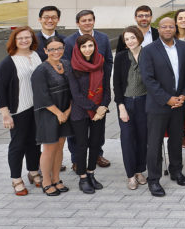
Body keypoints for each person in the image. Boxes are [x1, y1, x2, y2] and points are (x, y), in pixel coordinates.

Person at [139, 16, 185, 197]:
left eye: (171, 26)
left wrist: (184, 94)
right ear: (159, 29)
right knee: (154, 144)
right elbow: (148, 79)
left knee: (177, 139)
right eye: (164, 26)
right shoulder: (148, 50)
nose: (168, 29)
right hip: (158, 105)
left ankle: (176, 170)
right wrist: (167, 98)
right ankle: (153, 179)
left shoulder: (183, 47)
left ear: (175, 28)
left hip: (179, 103)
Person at [0, 26, 43, 195]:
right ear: (14, 41)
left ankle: (33, 171)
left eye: (27, 37)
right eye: (20, 38)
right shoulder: (9, 62)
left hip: (36, 108)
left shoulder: (36, 55)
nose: (24, 40)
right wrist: (5, 114)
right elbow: (0, 90)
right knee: (18, 145)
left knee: (35, 143)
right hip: (19, 109)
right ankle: (16, 179)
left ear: (32, 39)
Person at [65, 32, 110, 194]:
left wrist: (103, 106)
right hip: (81, 111)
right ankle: (82, 177)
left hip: (99, 112)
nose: (87, 49)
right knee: (82, 145)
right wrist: (95, 108)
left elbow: (106, 88)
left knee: (96, 144)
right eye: (83, 46)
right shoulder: (72, 66)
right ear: (78, 48)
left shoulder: (101, 62)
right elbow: (76, 95)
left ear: (95, 46)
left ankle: (91, 174)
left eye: (90, 45)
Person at [31, 34, 72, 196]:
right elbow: (41, 96)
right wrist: (58, 113)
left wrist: (68, 111)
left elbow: (74, 89)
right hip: (48, 112)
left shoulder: (67, 64)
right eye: (52, 49)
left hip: (66, 111)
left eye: (59, 48)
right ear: (45, 50)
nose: (56, 52)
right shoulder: (40, 71)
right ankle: (46, 182)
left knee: (60, 146)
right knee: (49, 148)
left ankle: (56, 178)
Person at [113, 26, 149, 190]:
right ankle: (130, 175)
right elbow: (117, 85)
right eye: (126, 39)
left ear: (139, 38)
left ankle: (140, 171)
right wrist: (121, 107)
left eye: (132, 38)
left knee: (142, 138)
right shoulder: (120, 57)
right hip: (126, 103)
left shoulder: (148, 54)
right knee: (127, 140)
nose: (130, 41)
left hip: (144, 102)